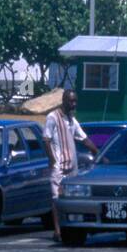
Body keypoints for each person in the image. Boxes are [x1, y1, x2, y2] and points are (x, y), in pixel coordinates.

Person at [44, 89, 99, 241]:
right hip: (59, 166)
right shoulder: (53, 117)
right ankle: (57, 231)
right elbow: (46, 139)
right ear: (63, 100)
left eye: (75, 101)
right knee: (56, 198)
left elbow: (84, 139)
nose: (73, 104)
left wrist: (98, 154)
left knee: (71, 198)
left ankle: (72, 227)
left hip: (72, 166)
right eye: (71, 101)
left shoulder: (71, 120)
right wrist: (52, 160)